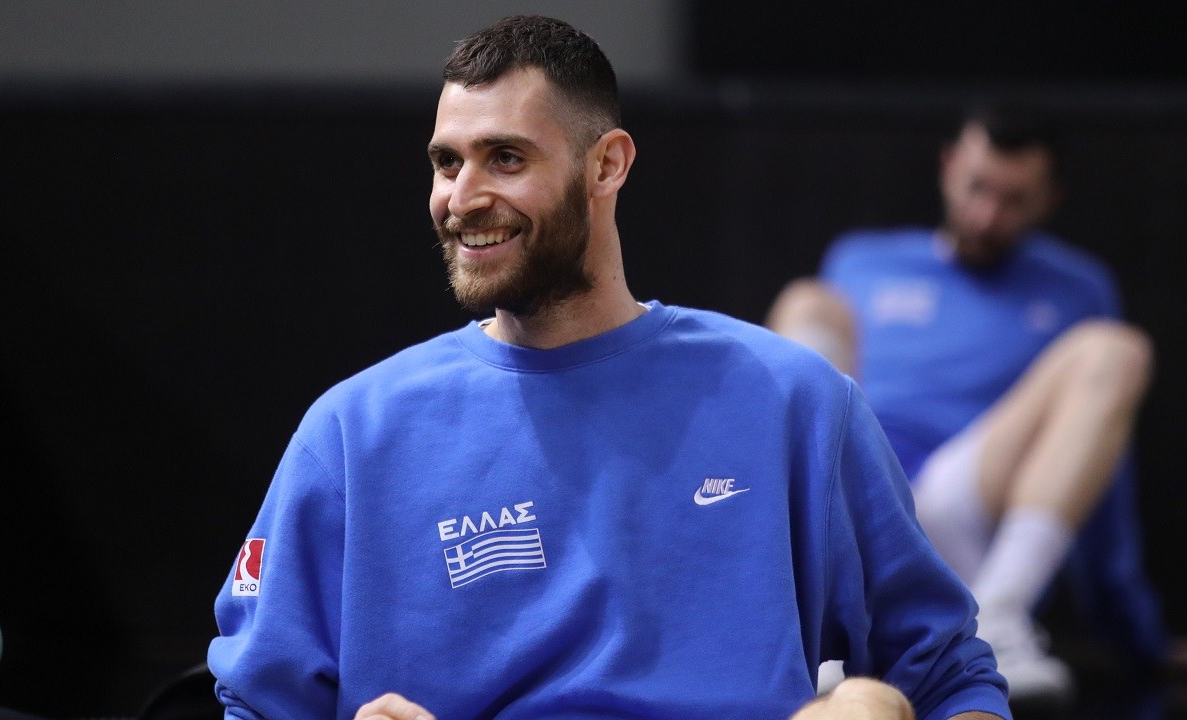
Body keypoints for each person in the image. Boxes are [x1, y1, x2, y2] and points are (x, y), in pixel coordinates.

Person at [208, 15, 1010, 720]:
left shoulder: (795, 402)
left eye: (505, 158)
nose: (462, 197)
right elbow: (257, 703)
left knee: (866, 707)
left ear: (607, 166)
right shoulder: (352, 435)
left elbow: (947, 674)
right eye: (447, 163)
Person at [765, 104, 1169, 706]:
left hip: (969, 504)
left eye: (1015, 200)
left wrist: (1141, 641)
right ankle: (810, 620)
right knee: (807, 303)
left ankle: (996, 622)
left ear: (1050, 199)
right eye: (979, 188)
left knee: (1114, 352)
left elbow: (1101, 468)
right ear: (949, 166)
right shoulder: (862, 261)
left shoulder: (1078, 287)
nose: (987, 216)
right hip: (862, 502)